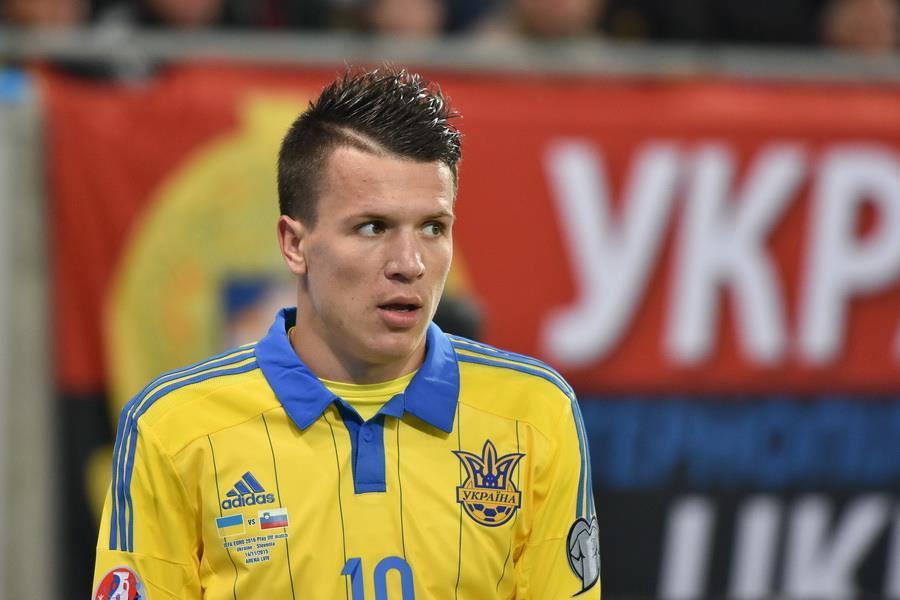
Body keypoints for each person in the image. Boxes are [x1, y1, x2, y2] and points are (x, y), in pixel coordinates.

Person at [92, 67, 601, 599]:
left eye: (433, 227)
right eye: (373, 227)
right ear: (294, 245)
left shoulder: (536, 416)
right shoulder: (173, 429)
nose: (410, 263)